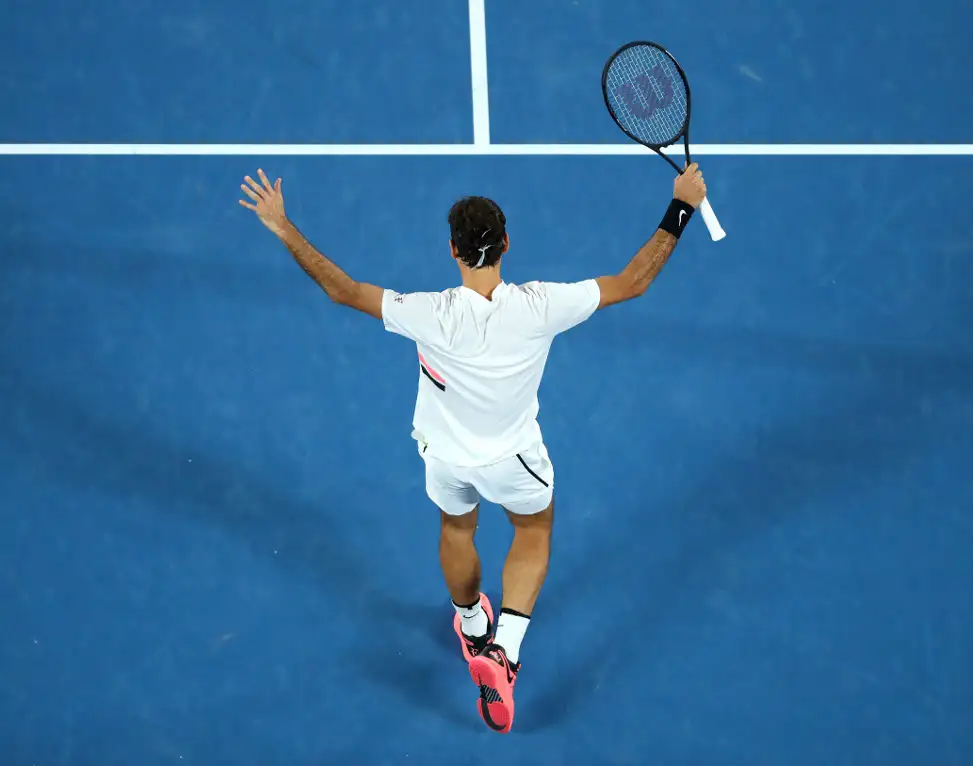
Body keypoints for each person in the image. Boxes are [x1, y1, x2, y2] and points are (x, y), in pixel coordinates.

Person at [239, 165, 708, 733]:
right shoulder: (540, 305)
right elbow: (633, 281)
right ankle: (504, 650)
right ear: (506, 244)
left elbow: (342, 289)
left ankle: (470, 624)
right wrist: (681, 206)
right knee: (532, 530)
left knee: (457, 529)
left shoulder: (427, 313)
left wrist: (283, 226)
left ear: (452, 251)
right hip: (513, 460)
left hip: (444, 456)